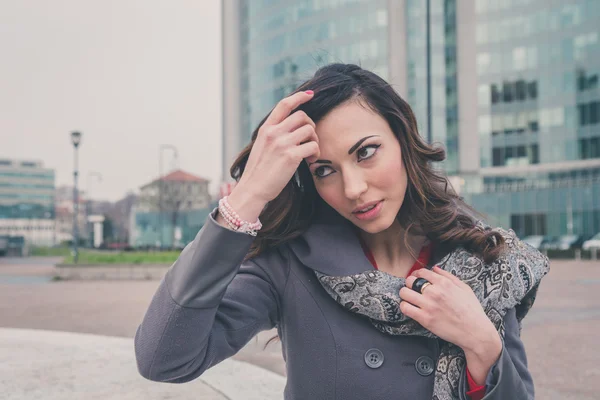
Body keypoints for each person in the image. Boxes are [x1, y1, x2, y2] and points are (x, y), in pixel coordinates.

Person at [134, 63, 549, 400]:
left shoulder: (482, 259)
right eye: (324, 170)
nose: (353, 189)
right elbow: (164, 360)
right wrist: (247, 197)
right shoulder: (289, 265)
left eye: (366, 152)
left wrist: (483, 345)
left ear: (402, 139)